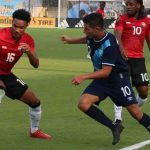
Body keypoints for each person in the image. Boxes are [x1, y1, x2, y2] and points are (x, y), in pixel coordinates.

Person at [60, 13, 150, 145]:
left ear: (97, 28)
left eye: (87, 29)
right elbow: (86, 39)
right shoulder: (94, 35)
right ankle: (114, 126)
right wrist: (69, 40)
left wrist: (83, 76)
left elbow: (106, 72)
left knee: (135, 111)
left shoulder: (109, 44)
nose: (84, 31)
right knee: (83, 103)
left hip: (117, 79)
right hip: (102, 79)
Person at [0, 9, 52, 140]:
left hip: (6, 75)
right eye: (15, 26)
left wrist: (29, 52)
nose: (17, 30)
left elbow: (36, 64)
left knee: (35, 102)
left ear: (27, 25)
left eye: (21, 27)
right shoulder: (1, 35)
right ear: (11, 23)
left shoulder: (28, 40)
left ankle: (34, 131)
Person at [114, 0, 150, 124]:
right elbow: (117, 35)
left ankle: (134, 109)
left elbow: (149, 40)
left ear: (138, 5)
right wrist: (122, 48)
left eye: (131, 4)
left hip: (139, 59)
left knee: (144, 91)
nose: (128, 7)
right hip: (123, 59)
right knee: (121, 88)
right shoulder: (122, 19)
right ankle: (118, 118)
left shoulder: (147, 21)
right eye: (127, 5)